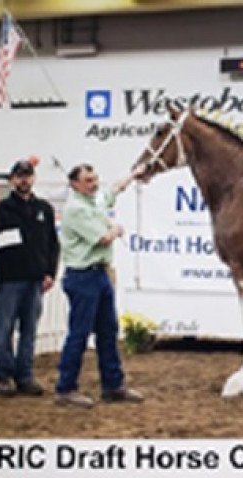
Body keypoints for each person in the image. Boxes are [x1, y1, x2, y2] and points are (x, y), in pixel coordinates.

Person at [55, 163, 144, 408]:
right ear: (75, 184)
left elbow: (113, 191)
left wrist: (133, 175)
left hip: (97, 274)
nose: (94, 184)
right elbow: (103, 238)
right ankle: (65, 388)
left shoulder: (92, 201)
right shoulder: (76, 209)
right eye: (88, 180)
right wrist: (115, 229)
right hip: (83, 276)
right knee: (79, 334)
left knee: (108, 331)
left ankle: (113, 385)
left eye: (94, 179)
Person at [0, 159, 60, 397]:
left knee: (29, 330)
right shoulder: (1, 210)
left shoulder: (44, 209)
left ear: (34, 178)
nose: (24, 180)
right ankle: (3, 375)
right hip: (10, 278)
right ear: (11, 180)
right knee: (5, 328)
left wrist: (50, 272)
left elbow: (52, 244)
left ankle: (25, 375)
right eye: (19, 176)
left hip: (35, 280)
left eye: (27, 175)